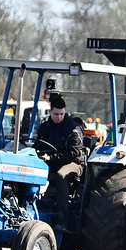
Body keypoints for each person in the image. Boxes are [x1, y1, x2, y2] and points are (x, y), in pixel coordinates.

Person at [33, 96, 86, 229]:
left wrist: (51, 158)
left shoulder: (73, 128)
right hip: (51, 161)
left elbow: (73, 153)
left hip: (74, 163)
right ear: (50, 111)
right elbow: (38, 145)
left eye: (62, 114)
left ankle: (63, 218)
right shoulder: (45, 127)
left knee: (61, 175)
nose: (59, 117)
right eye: (56, 114)